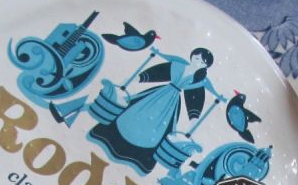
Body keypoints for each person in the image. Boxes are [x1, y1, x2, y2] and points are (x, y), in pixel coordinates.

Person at [87, 47, 221, 175]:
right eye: (197, 58)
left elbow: (194, 103)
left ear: (205, 66)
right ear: (192, 56)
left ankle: (138, 159)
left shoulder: (197, 81)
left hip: (170, 105)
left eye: (202, 62)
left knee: (156, 133)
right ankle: (108, 139)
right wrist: (134, 79)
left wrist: (192, 122)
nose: (198, 62)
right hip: (155, 95)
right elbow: (156, 73)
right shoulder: (177, 66)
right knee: (131, 115)